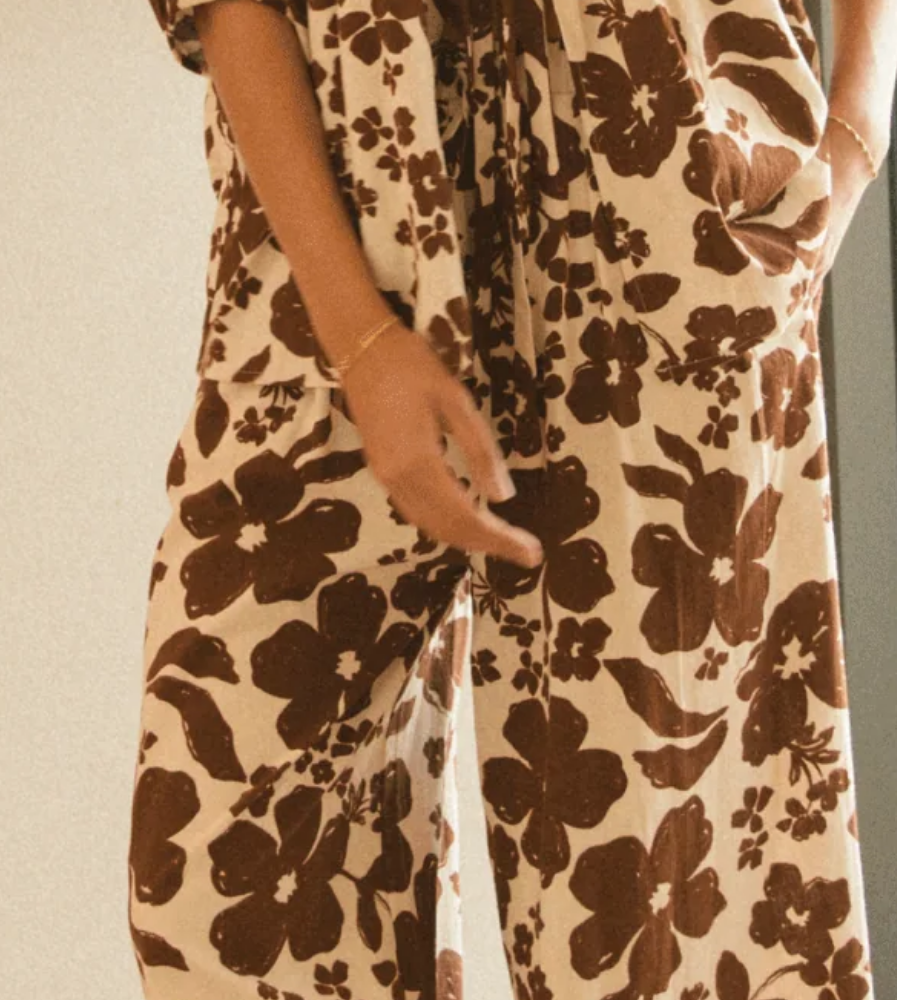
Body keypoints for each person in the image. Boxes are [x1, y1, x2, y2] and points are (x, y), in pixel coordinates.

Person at [127, 0, 893, 997]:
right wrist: (359, 335)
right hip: (349, 183)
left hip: (655, 187)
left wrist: (858, 125)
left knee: (671, 913)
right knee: (228, 887)